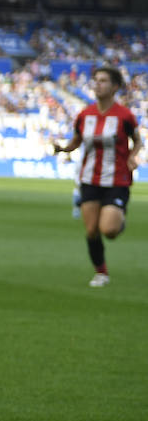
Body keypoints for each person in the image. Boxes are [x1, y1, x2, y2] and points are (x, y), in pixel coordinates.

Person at [52, 65, 142, 287]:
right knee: (91, 230)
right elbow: (77, 140)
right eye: (96, 80)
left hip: (117, 178)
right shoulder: (85, 115)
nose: (98, 84)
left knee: (109, 230)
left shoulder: (125, 116)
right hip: (89, 178)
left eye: (103, 81)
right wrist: (64, 149)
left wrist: (133, 155)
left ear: (115, 87)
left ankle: (118, 220)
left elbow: (138, 140)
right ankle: (101, 272)